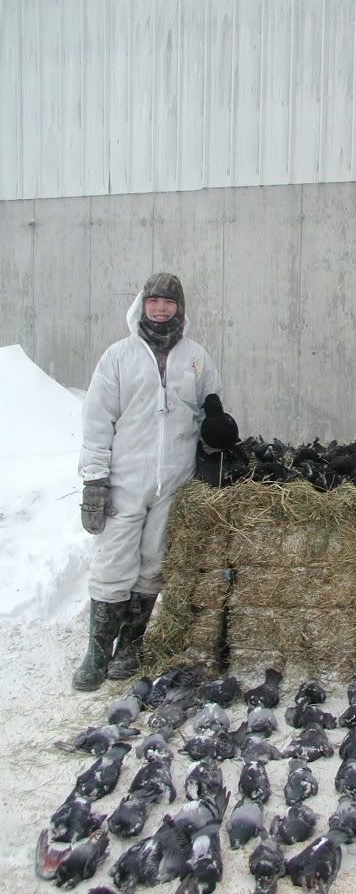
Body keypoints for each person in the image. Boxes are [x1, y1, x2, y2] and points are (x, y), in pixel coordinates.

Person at [72, 273, 221, 691]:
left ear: (180, 307)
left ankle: (130, 647)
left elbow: (211, 413)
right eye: (154, 300)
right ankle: (97, 652)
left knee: (153, 564)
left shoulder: (197, 358)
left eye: (169, 302)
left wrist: (217, 436)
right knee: (113, 563)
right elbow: (97, 421)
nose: (161, 308)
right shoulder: (118, 357)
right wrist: (95, 480)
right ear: (142, 303)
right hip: (125, 479)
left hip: (173, 482)